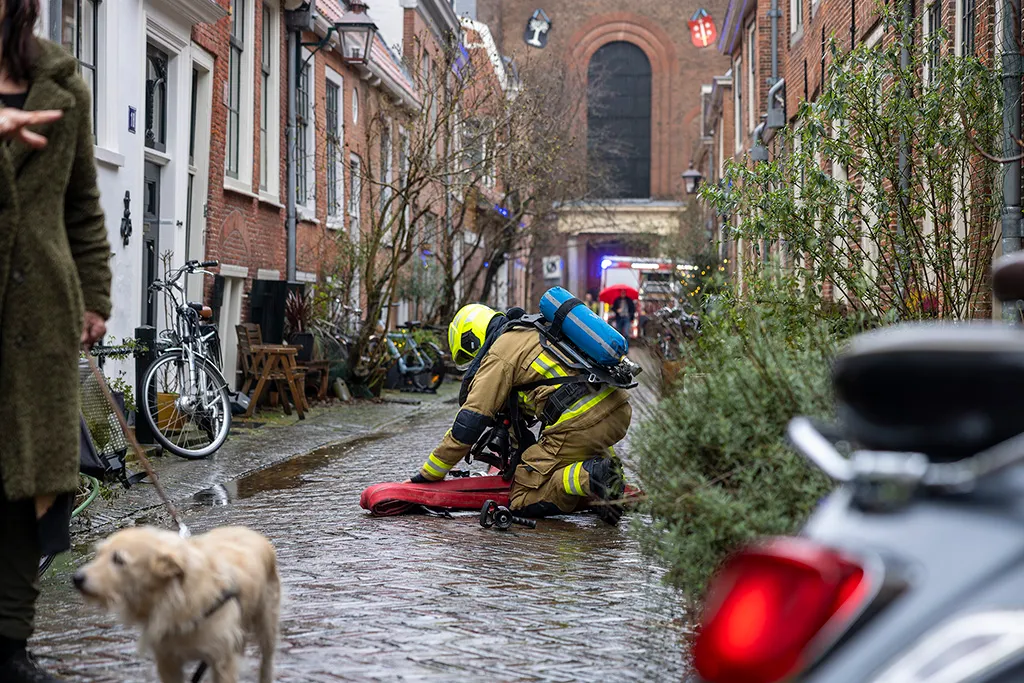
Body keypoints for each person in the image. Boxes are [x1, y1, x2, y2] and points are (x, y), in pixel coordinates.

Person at [0, 2, 112, 680]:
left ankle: (10, 640)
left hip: (39, 308)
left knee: (25, 477)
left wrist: (95, 293)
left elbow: (82, 201)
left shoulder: (64, 84)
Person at [409, 304, 631, 524]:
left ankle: (591, 477)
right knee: (566, 451)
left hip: (580, 423)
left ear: (473, 341)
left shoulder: (500, 351)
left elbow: (470, 422)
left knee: (522, 497)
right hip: (617, 409)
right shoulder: (534, 329)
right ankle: (608, 472)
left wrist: (431, 472)